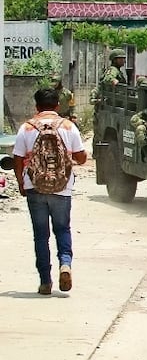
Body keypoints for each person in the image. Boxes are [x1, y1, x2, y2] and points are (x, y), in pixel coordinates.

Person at [12, 87, 88, 295]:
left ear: (36, 106)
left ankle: (45, 281)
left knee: (40, 235)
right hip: (62, 187)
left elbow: (18, 159)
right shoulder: (68, 126)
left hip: (34, 187)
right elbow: (81, 158)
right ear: (57, 106)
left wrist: (21, 182)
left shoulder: (26, 128)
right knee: (62, 229)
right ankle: (65, 264)